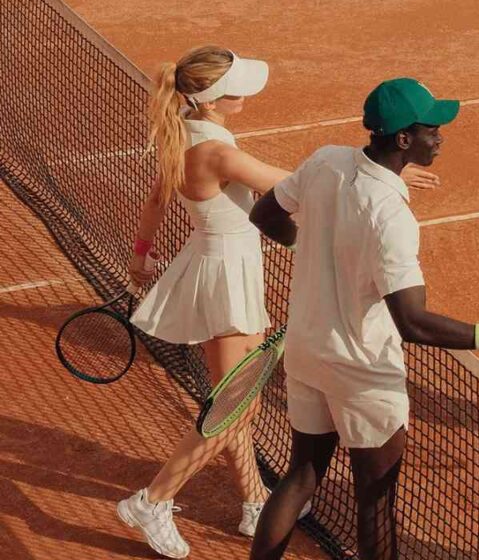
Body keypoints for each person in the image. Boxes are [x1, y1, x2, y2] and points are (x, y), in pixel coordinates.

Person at [117, 47, 441, 559]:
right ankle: (153, 499)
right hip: (227, 278)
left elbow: (158, 198)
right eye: (237, 86)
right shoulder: (217, 151)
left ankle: (252, 502)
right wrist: (388, 175)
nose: (246, 92)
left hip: (206, 267)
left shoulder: (180, 129)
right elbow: (294, 187)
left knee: (235, 405)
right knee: (232, 408)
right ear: (218, 98)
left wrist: (140, 255)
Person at [247, 77, 479, 559]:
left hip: (305, 351)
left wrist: (314, 247)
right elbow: (414, 323)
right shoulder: (391, 216)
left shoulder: (326, 161)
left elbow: (265, 215)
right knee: (374, 502)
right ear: (403, 139)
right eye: (433, 129)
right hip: (362, 371)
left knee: (301, 476)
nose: (441, 137)